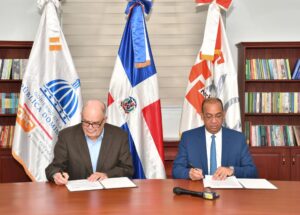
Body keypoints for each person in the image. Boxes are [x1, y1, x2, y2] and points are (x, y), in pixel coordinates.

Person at [45, 100, 134, 185]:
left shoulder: (119, 136)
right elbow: (54, 167)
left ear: (104, 120)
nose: (90, 127)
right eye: (86, 122)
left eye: (95, 123)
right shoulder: (67, 136)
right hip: (77, 196)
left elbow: (127, 169)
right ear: (81, 116)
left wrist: (107, 175)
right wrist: (56, 175)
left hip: (109, 195)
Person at [172, 97, 257, 180]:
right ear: (202, 116)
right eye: (209, 116)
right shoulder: (188, 138)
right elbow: (176, 170)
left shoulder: (238, 139)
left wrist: (232, 170)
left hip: (229, 191)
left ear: (223, 115)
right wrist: (189, 173)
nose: (214, 121)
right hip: (199, 189)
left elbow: (252, 172)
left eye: (218, 116)